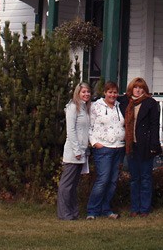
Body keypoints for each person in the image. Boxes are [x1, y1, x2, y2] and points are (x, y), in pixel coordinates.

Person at [118, 77, 161, 217]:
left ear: (145, 90)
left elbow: (155, 125)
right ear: (131, 88)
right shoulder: (126, 102)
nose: (138, 90)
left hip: (146, 145)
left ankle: (145, 209)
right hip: (131, 146)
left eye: (141, 88)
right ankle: (134, 208)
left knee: (146, 178)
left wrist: (154, 144)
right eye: (136, 87)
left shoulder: (150, 103)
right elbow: (111, 97)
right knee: (134, 178)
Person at [86, 81, 125, 219]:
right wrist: (94, 142)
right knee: (103, 179)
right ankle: (92, 210)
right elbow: (89, 126)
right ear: (105, 92)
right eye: (110, 92)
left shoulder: (119, 106)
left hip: (118, 147)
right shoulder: (96, 106)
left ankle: (106, 208)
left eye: (115, 92)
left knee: (113, 180)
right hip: (103, 148)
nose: (113, 95)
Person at [57, 82, 92, 220]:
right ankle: (64, 214)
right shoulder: (72, 108)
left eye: (88, 92)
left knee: (73, 185)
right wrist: (77, 150)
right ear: (77, 93)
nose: (86, 94)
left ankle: (73, 213)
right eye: (83, 92)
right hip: (73, 152)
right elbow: (70, 131)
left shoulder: (85, 108)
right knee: (66, 185)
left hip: (82, 152)